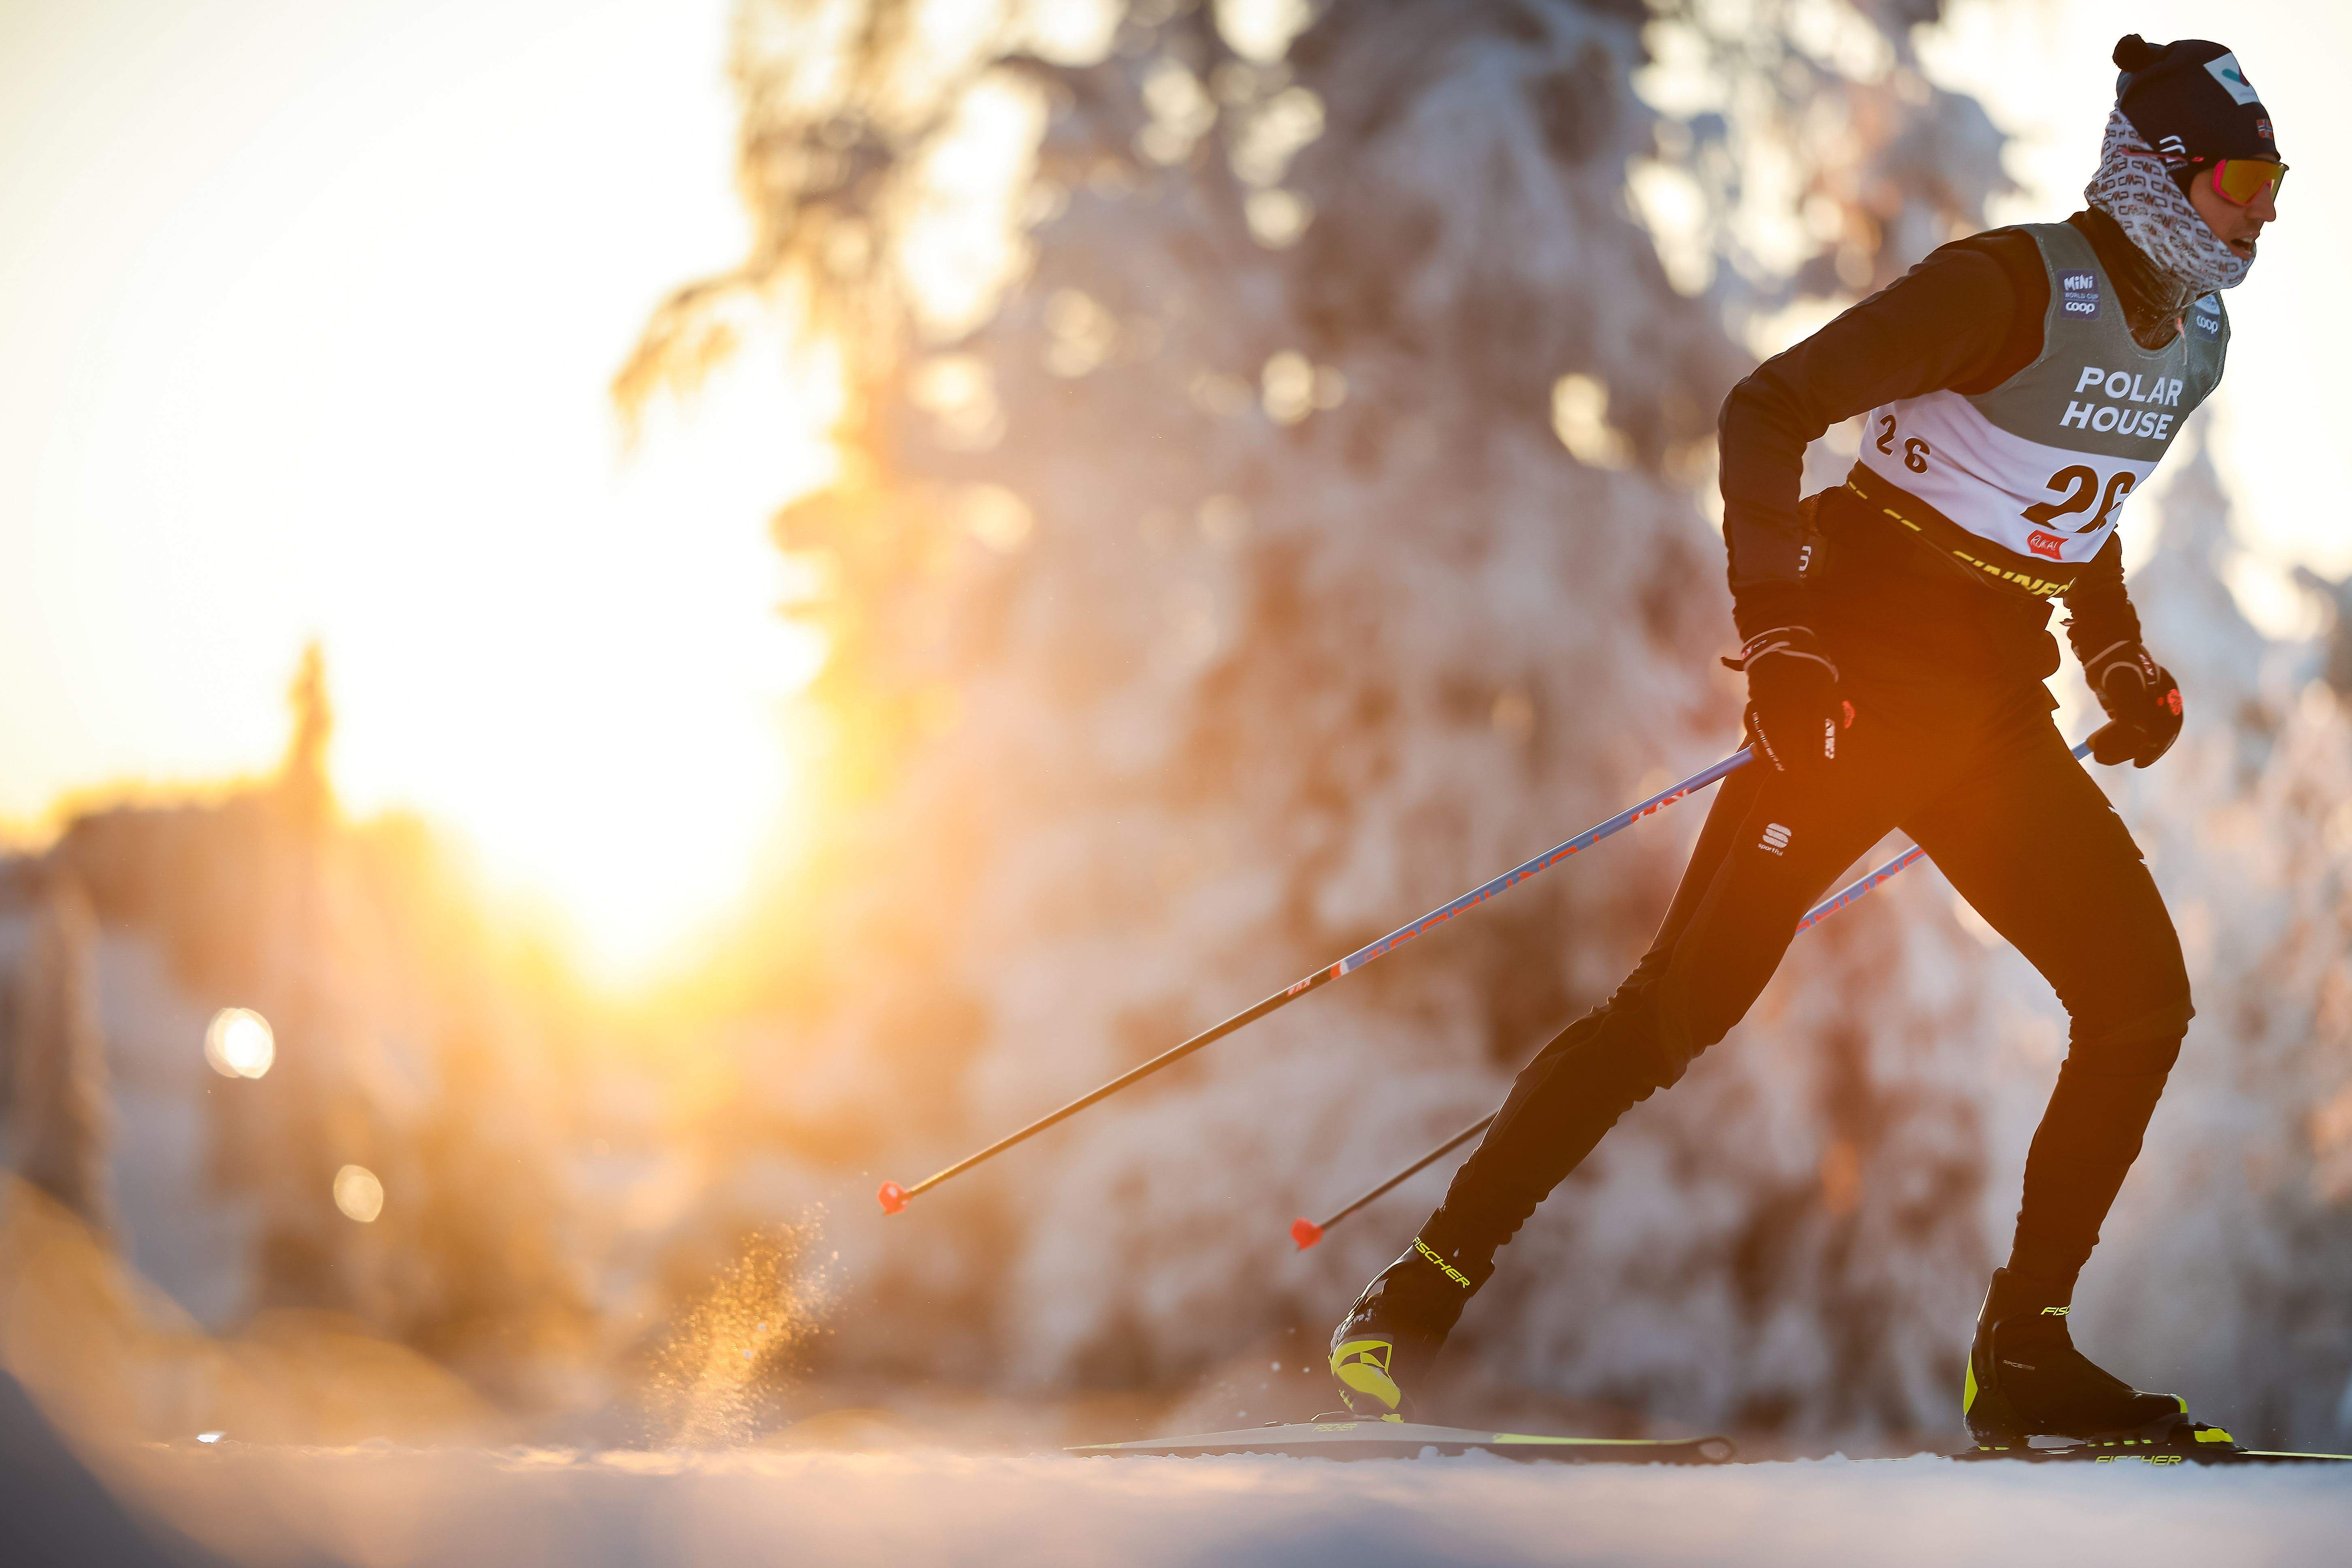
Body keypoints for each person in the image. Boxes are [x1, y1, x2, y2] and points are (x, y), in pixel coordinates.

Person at [1326, 34, 2284, 1448]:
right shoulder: (2007, 284)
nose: (2265, 212)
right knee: (1678, 1013)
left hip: (1991, 726)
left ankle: (2022, 1354)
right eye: (2244, 181)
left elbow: (2077, 510)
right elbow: (1767, 409)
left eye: (2275, 186)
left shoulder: (2194, 342)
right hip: (1853, 699)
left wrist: (2119, 658)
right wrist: (1780, 639)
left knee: (2141, 1002)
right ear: (2157, 172)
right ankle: (1415, 1296)